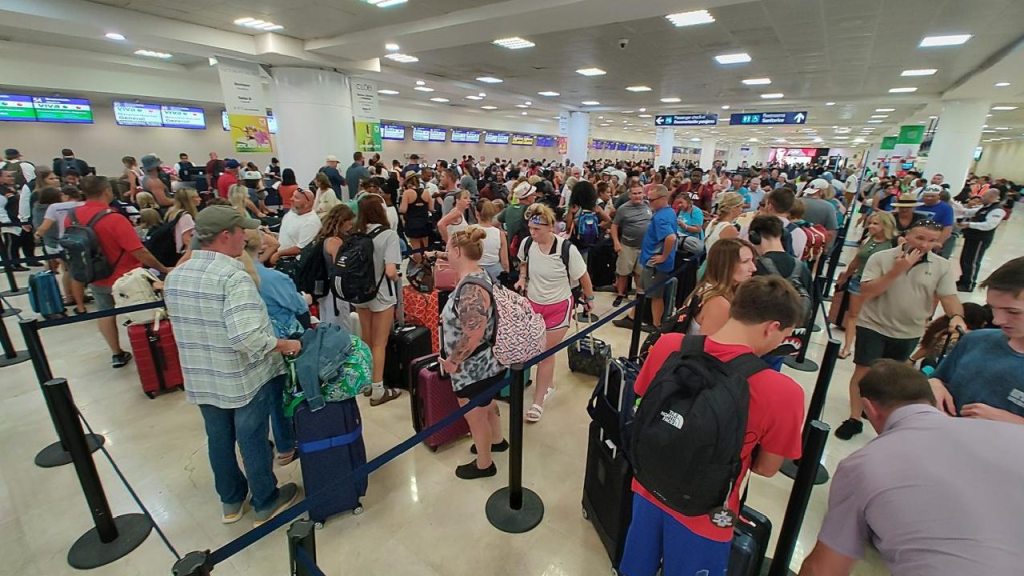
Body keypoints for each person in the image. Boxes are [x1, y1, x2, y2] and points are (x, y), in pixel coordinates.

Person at [621, 275, 805, 576]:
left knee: (636, 566)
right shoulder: (784, 393)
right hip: (713, 513)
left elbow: (642, 403)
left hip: (647, 483)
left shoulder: (669, 345)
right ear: (772, 327)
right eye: (783, 335)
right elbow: (766, 468)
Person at [799, 360, 1024, 576]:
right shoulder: (1015, 435)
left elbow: (824, 569)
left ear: (869, 408)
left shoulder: (864, 464)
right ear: (932, 401)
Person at [163, 205, 301, 526]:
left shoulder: (177, 276)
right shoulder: (232, 277)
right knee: (251, 438)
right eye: (242, 231)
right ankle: (265, 500)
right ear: (226, 236)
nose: (247, 237)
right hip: (243, 377)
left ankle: (231, 501)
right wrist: (286, 344)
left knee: (218, 439)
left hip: (201, 376)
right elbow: (249, 339)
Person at [834, 220, 966, 440]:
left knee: (893, 377)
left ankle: (878, 412)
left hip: (909, 331)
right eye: (920, 238)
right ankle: (854, 418)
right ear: (907, 236)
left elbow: (949, 296)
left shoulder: (941, 266)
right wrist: (897, 271)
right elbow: (867, 291)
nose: (925, 245)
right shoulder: (882, 258)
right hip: (873, 324)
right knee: (864, 370)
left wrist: (957, 315)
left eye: (932, 240)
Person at [65, 176, 170, 367]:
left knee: (104, 313)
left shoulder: (71, 216)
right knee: (144, 314)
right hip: (127, 278)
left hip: (96, 275)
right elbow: (139, 251)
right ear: (107, 191)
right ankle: (153, 354)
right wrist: (162, 268)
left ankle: (116, 353)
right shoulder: (113, 218)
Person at [438, 227, 508, 479]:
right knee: (488, 406)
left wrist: (453, 362)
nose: (446, 252)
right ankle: (497, 440)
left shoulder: (470, 289)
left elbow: (473, 333)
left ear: (457, 251)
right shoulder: (481, 274)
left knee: (475, 417)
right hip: (489, 362)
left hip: (474, 368)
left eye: (447, 248)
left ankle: (484, 464)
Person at [515, 203, 594, 423]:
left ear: (550, 227)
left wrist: (590, 299)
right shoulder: (527, 243)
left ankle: (538, 402)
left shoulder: (566, 249)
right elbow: (523, 262)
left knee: (545, 353)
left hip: (559, 306)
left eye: (537, 229)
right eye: (530, 228)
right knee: (534, 349)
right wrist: (522, 277)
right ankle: (546, 383)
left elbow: (584, 277)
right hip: (533, 305)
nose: (532, 233)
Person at [929, 257, 1024, 424]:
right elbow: (940, 378)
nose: (997, 320)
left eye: (1013, 312)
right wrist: (934, 384)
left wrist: (1014, 423)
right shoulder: (975, 340)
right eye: (993, 308)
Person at [350, 197, 403, 406]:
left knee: (367, 339)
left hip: (360, 294)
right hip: (381, 295)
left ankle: (366, 383)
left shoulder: (356, 234)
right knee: (380, 343)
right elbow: (391, 271)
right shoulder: (388, 235)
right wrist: (397, 277)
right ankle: (378, 389)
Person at [834, 212, 898, 359]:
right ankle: (847, 347)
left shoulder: (894, 244)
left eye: (875, 223)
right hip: (859, 281)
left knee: (872, 317)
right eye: (870, 223)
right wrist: (846, 275)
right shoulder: (868, 239)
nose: (871, 226)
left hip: (879, 285)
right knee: (853, 315)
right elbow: (856, 260)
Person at [683, 238, 758, 336]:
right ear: (725, 265)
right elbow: (709, 349)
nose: (753, 268)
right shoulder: (718, 302)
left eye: (752, 261)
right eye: (745, 262)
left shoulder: (706, 289)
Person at [910, 302, 990, 371]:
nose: (985, 322)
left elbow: (926, 347)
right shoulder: (970, 336)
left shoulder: (940, 327)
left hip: (930, 365)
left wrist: (912, 359)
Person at [639, 184, 677, 328]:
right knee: (643, 290)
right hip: (649, 260)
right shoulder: (669, 212)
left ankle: (656, 324)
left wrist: (663, 256)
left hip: (656, 264)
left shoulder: (661, 217)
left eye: (652, 200)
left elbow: (671, 237)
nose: (649, 203)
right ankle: (633, 316)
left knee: (656, 296)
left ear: (663, 198)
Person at [611, 183, 653, 307]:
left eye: (639, 193)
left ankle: (638, 297)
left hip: (644, 247)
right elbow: (614, 226)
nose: (637, 196)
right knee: (623, 272)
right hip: (627, 246)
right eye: (634, 193)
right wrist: (616, 242)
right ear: (630, 195)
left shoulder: (648, 206)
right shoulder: (623, 209)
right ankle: (620, 294)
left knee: (639, 273)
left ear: (643, 193)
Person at [957, 188, 1006, 292]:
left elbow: (989, 225)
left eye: (985, 196)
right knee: (965, 259)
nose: (982, 198)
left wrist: (969, 224)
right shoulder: (985, 207)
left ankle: (969, 284)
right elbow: (969, 212)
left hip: (980, 239)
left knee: (972, 261)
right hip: (972, 237)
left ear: (992, 197)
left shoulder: (997, 210)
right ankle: (963, 280)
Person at [271, 189, 321, 266]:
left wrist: (278, 254)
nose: (291, 199)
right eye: (292, 196)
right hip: (280, 257)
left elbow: (301, 248)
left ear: (307, 203)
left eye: (296, 198)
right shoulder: (291, 213)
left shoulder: (311, 222)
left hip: (293, 263)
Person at [398, 174, 434, 264]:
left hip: (412, 223)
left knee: (416, 248)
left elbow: (403, 209)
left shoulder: (407, 193)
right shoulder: (426, 192)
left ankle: (419, 266)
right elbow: (431, 208)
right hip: (425, 223)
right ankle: (427, 265)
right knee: (425, 247)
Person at [915, 184, 955, 257]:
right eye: (927, 196)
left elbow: (947, 228)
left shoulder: (946, 208)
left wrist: (938, 243)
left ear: (939, 196)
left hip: (932, 239)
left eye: (932, 196)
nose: (929, 198)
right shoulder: (917, 204)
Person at [475, 200, 509, 282]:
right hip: (495, 272)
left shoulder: (470, 230)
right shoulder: (500, 234)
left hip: (474, 270)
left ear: (477, 213)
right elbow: (505, 262)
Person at [164, 188, 199, 264]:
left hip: (173, 252)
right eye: (197, 197)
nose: (200, 199)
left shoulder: (172, 213)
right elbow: (187, 239)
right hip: (183, 254)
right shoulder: (186, 216)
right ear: (190, 199)